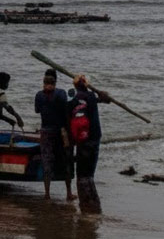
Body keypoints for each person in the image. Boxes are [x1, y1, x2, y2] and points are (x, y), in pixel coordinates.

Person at [67, 74, 111, 214]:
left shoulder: (73, 99)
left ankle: (86, 205)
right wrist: (99, 92)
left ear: (75, 86)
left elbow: (68, 118)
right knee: (89, 174)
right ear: (87, 85)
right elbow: (107, 99)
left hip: (81, 140)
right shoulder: (91, 96)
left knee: (82, 174)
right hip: (94, 138)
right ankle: (92, 205)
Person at [34, 68, 74, 200]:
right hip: (60, 131)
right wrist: (68, 132)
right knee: (65, 161)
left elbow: (37, 110)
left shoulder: (39, 95)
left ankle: (47, 194)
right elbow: (66, 111)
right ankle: (69, 193)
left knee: (47, 162)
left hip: (45, 131)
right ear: (55, 81)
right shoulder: (61, 93)